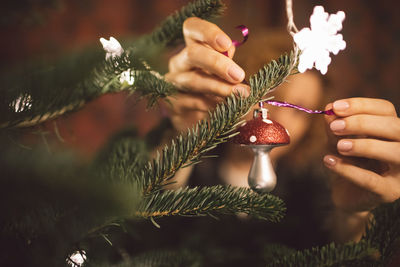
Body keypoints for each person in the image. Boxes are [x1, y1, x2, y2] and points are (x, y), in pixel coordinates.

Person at [163, 17, 400, 244]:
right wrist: (183, 139)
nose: (279, 117)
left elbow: (343, 244)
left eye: (298, 110)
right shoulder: (193, 166)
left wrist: (354, 215)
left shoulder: (308, 189)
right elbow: (148, 208)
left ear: (310, 127)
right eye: (271, 98)